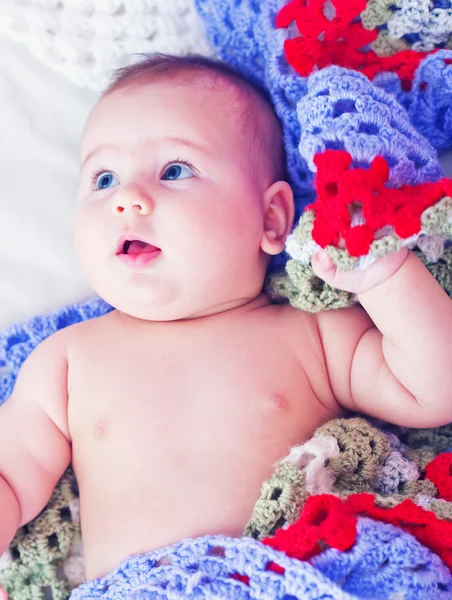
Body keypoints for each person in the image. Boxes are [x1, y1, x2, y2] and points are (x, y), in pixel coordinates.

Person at [1, 53, 451, 597]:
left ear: (271, 219)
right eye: (103, 178)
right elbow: (10, 478)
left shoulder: (311, 336)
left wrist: (385, 276)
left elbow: (433, 391)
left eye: (174, 171)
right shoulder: (65, 362)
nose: (127, 199)